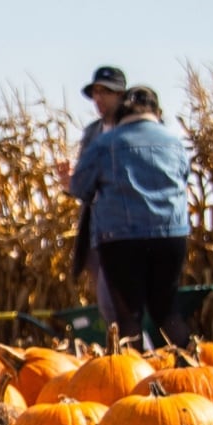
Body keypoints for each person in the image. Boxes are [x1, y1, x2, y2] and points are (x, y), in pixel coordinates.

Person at [68, 85, 191, 344]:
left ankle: (134, 378)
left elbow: (80, 187)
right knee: (165, 310)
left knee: (128, 317)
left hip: (120, 239)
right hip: (170, 235)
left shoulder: (106, 144)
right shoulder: (174, 143)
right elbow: (183, 178)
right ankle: (190, 367)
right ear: (156, 112)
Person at [58, 65, 127, 324]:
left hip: (129, 229)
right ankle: (124, 354)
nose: (99, 99)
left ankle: (139, 355)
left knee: (126, 303)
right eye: (96, 92)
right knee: (108, 302)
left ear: (121, 95)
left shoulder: (132, 130)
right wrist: (70, 181)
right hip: (98, 230)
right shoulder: (92, 133)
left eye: (106, 92)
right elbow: (84, 184)